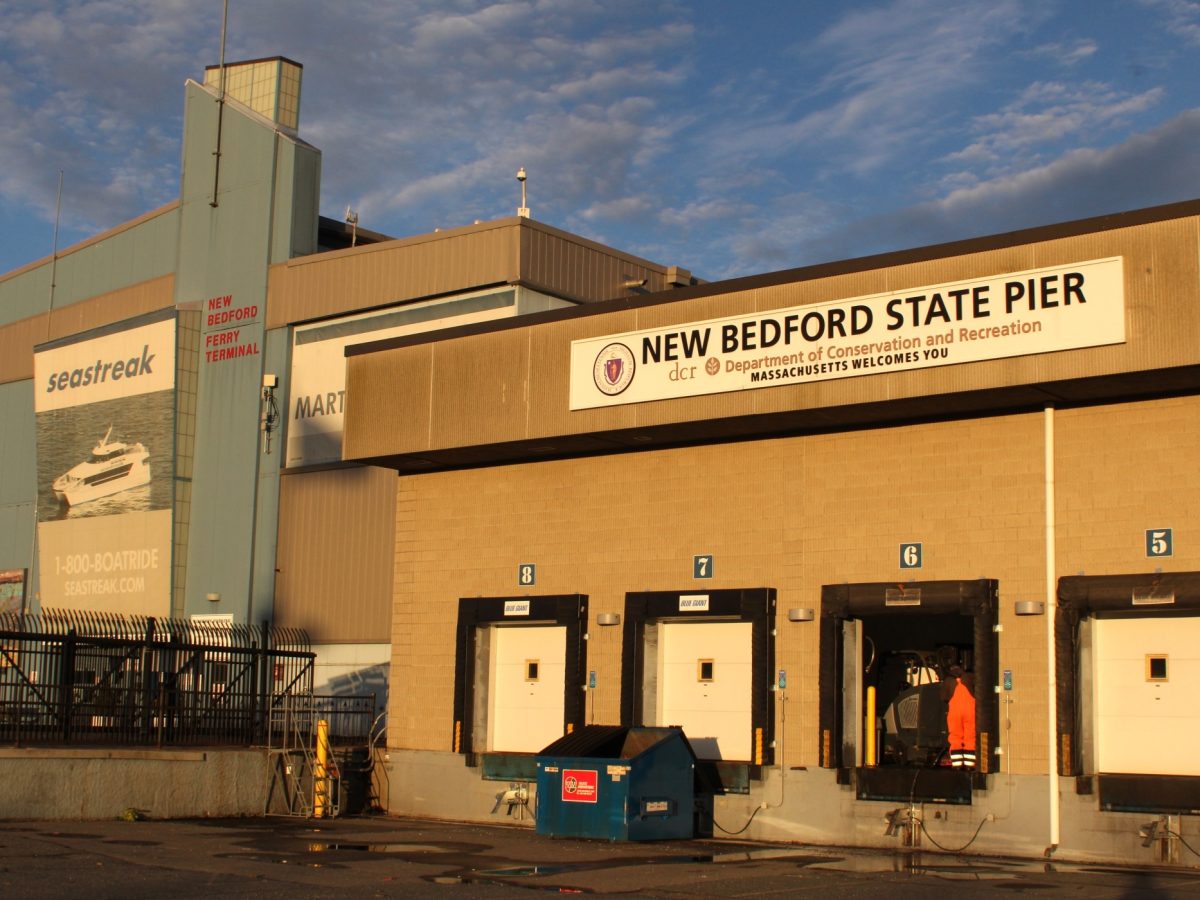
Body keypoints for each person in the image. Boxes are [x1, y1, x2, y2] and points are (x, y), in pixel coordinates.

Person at [945, 665, 976, 768]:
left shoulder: (949, 681)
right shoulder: (970, 678)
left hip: (954, 712)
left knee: (955, 737)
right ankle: (969, 765)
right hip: (970, 711)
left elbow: (943, 696)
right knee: (970, 737)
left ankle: (957, 765)